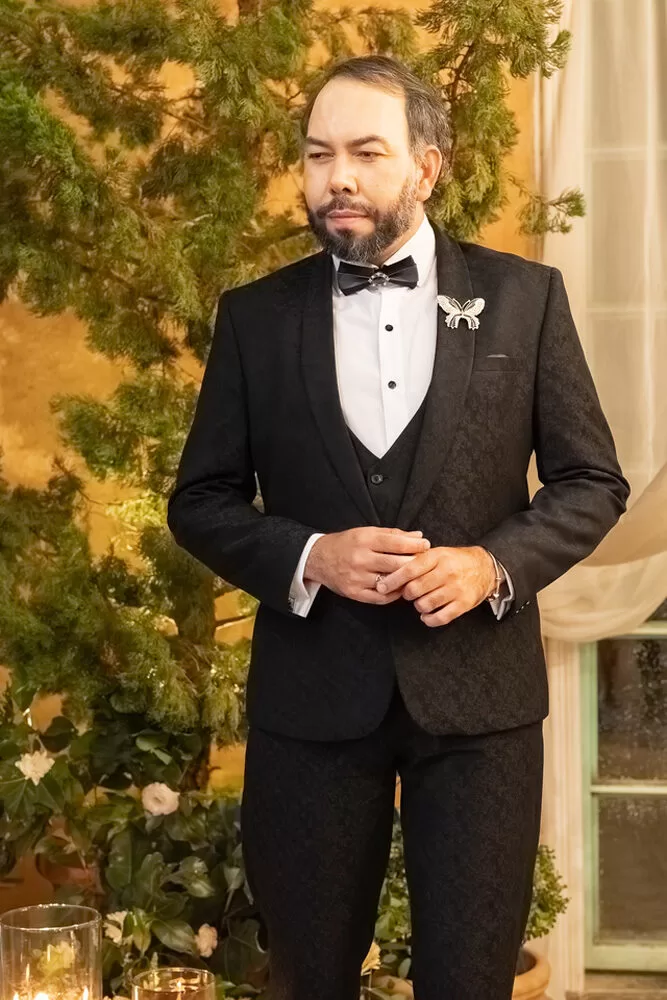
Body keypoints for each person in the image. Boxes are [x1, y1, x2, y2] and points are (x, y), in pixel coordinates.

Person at [167, 55, 630, 1000]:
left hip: (480, 711)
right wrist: (310, 555)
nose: (336, 177)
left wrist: (491, 564)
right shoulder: (254, 318)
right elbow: (200, 499)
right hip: (309, 706)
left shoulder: (524, 299)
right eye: (318, 155)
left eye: (365, 153)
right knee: (308, 981)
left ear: (426, 166)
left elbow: (590, 481)